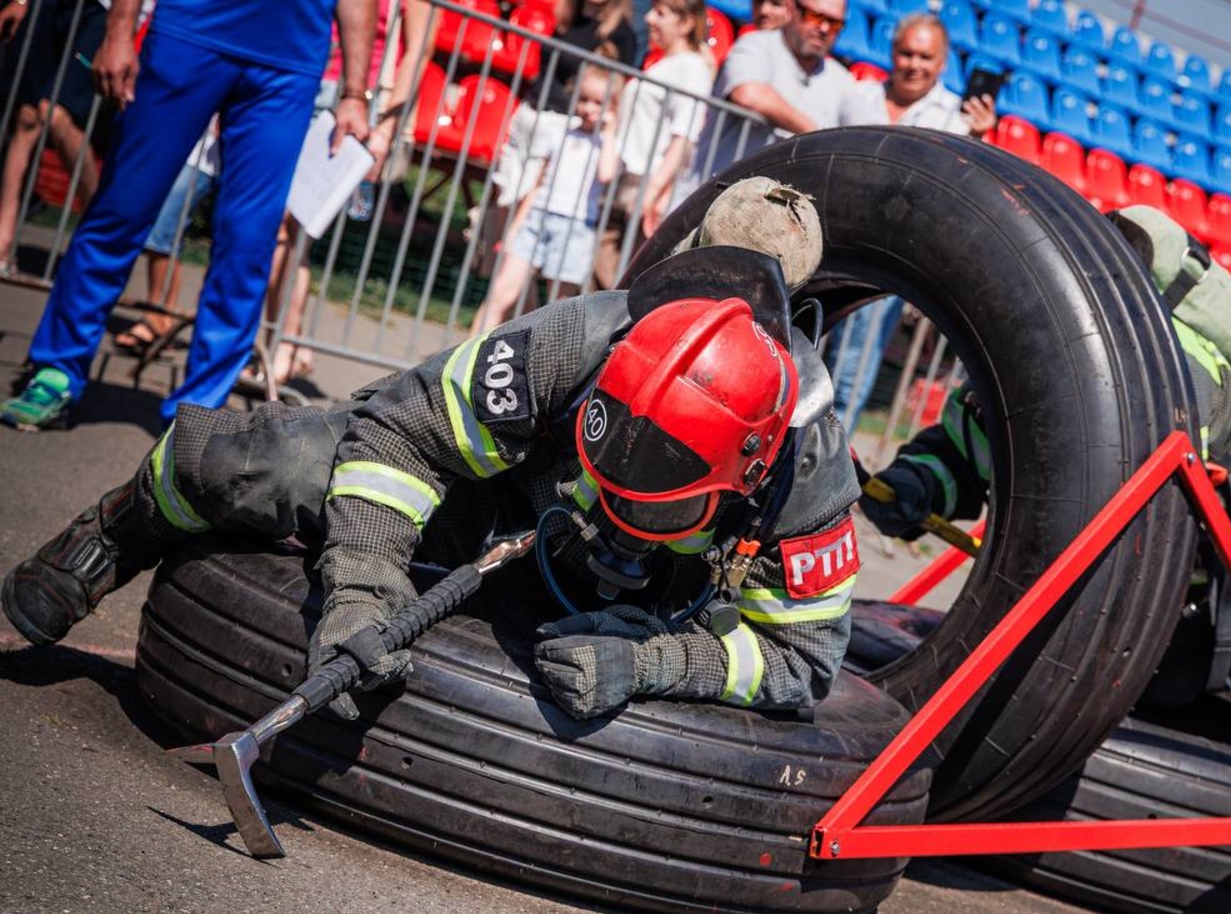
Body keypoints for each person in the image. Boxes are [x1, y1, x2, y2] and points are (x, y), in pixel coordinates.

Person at [3, 184, 859, 722]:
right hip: (493, 510)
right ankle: (118, 530)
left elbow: (802, 659)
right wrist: (362, 595)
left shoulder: (807, 460)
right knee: (259, 461)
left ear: (749, 461)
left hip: (648, 607)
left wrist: (653, 665)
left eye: (660, 493)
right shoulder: (575, 337)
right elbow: (403, 432)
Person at [858, 207, 1231, 736]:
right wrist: (916, 486)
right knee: (1164, 693)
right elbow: (960, 449)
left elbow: (1139, 524)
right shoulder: (997, 382)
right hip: (1190, 575)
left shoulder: (1164, 372)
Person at [0, 0, 375, 431]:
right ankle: (57, 371)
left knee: (249, 242)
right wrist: (120, 31)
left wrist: (353, 93)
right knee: (120, 210)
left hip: (288, 67)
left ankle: (199, 413)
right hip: (189, 34)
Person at [829, 13, 997, 432]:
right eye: (907, 53)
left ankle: (820, 480)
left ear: (942, 64)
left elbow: (961, 182)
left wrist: (979, 138)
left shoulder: (955, 119)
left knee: (849, 375)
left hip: (885, 261)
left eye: (926, 56)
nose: (914, 64)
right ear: (892, 52)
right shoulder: (857, 96)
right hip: (831, 242)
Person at [257, 0, 432, 387]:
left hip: (352, 101)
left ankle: (280, 344)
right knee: (280, 227)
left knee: (289, 225)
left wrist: (385, 128)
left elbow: (419, 50)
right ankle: (285, 339)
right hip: (298, 77)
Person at [472, 67, 619, 332]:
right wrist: (515, 227)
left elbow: (607, 174)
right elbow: (539, 184)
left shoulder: (606, 144)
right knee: (501, 294)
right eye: (584, 99)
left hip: (574, 226)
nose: (589, 108)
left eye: (598, 102)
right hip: (538, 216)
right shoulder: (559, 134)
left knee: (559, 307)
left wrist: (610, 130)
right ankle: (468, 356)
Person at [591, 0, 715, 288]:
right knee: (600, 279)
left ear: (686, 22)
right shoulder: (666, 63)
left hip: (643, 189)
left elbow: (683, 137)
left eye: (661, 12)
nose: (648, 18)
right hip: (626, 183)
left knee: (613, 286)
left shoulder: (691, 68)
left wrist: (652, 192)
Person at [0, 0, 112, 277]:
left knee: (56, 115)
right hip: (47, 7)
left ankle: (99, 226)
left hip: (101, 13)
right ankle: (2, 242)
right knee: (26, 117)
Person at [689, 0, 851, 185]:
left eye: (834, 24)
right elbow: (748, 93)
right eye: (815, 16)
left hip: (774, 208)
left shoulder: (843, 81)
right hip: (711, 196)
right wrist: (814, 133)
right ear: (792, 10)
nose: (823, 28)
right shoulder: (755, 43)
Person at [109, 123, 221, 356]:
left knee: (166, 228)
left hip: (222, 149)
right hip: (194, 143)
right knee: (164, 228)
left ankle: (162, 319)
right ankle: (160, 316)